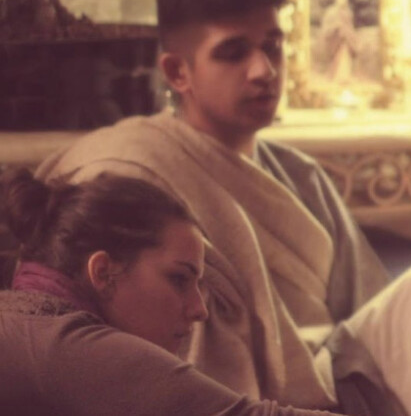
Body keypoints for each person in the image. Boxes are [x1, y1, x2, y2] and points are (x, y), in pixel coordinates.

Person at [36, 0, 411, 416]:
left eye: (272, 47)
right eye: (233, 52)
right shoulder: (133, 171)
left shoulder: (301, 175)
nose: (264, 71)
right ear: (177, 71)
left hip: (338, 381)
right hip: (218, 395)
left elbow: (366, 311)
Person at [0, 169, 343, 415]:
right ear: (103, 272)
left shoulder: (29, 325)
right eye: (179, 279)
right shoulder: (68, 346)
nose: (199, 309)